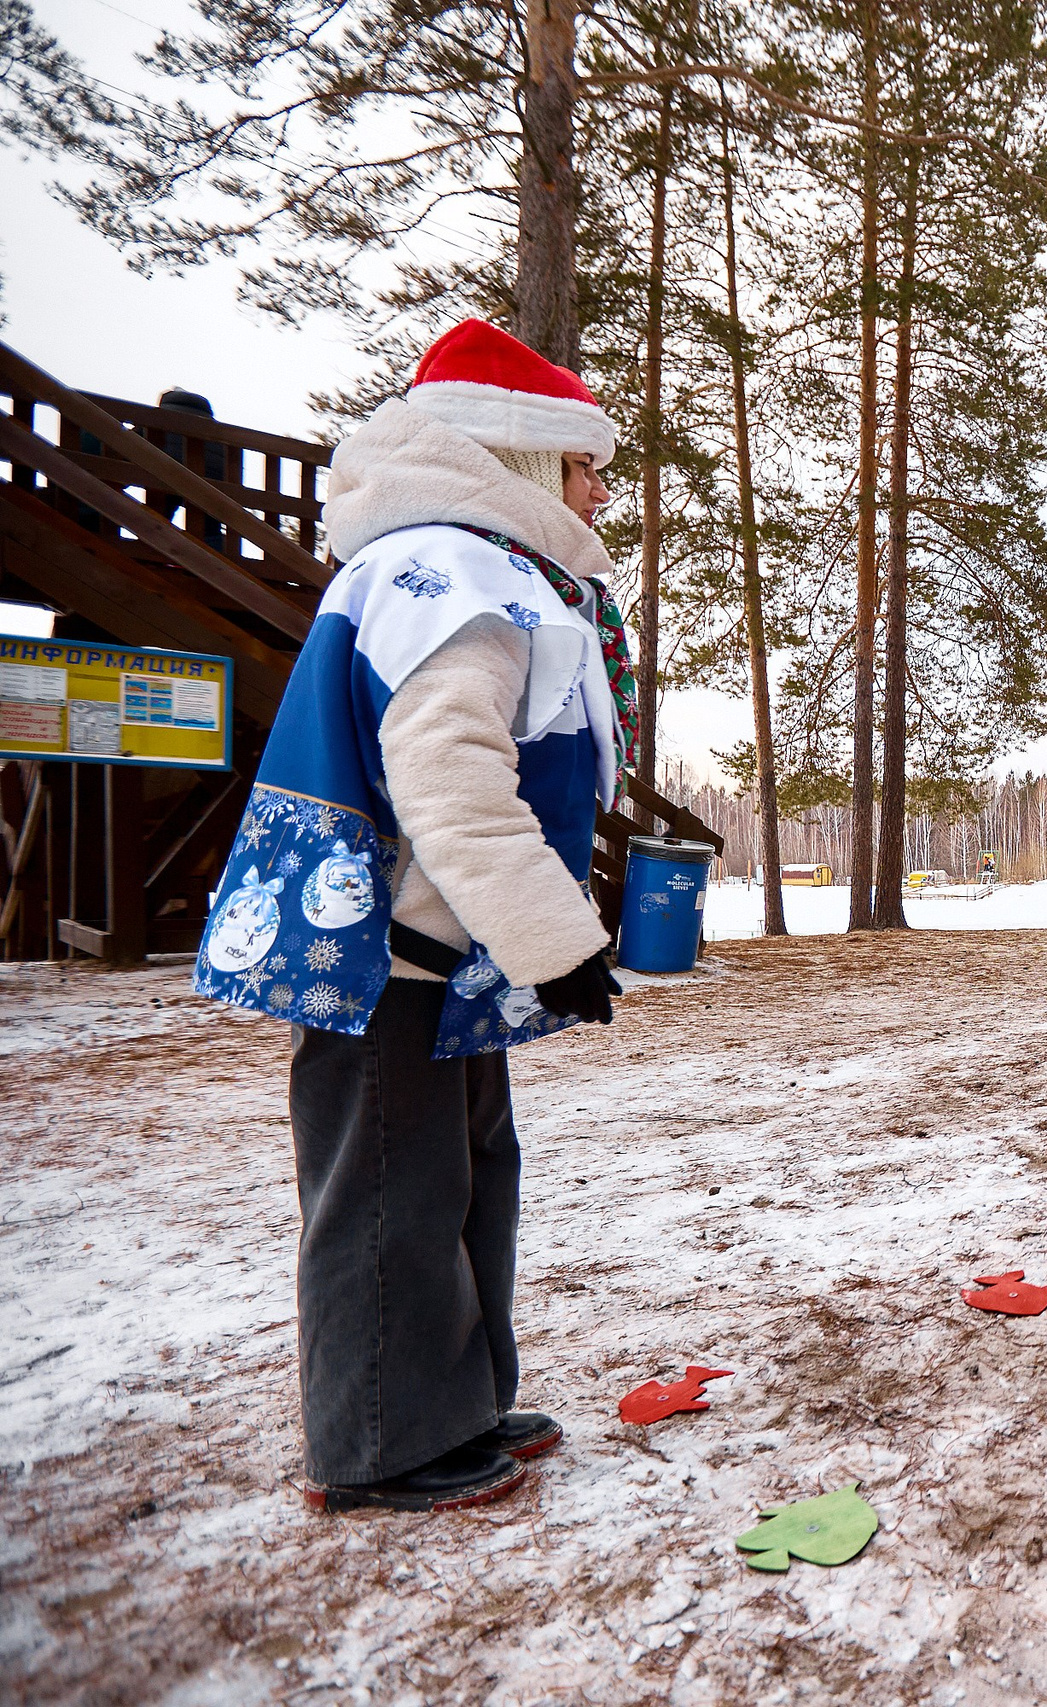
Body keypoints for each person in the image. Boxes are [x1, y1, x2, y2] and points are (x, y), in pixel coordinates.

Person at [195, 318, 635, 1513]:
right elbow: (449, 782)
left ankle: (458, 1398)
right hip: (381, 949)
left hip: (439, 948)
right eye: (586, 464)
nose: (600, 489)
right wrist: (559, 943)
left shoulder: (472, 570)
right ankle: (386, 1437)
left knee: (463, 1167)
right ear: (519, 457)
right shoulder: (451, 579)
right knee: (388, 1181)